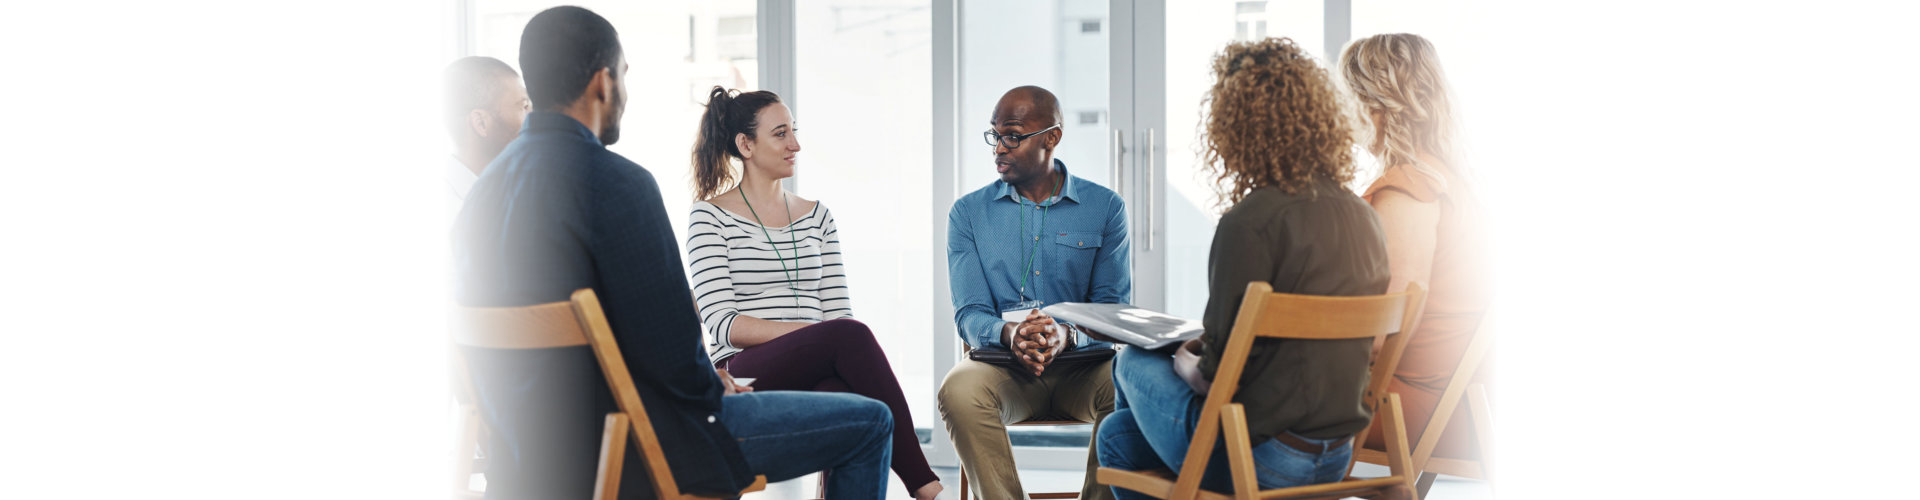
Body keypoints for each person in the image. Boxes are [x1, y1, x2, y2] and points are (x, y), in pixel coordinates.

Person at [454, 7, 891, 499]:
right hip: (642, 442)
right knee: (871, 421)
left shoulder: (481, 195)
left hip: (527, 459)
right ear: (603, 82)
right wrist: (714, 381)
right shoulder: (617, 184)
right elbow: (673, 351)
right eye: (623, 76)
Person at [1095, 37, 1390, 499]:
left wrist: (1182, 356)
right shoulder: (1365, 217)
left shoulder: (1249, 223)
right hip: (1334, 457)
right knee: (1116, 437)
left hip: (1262, 460)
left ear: (1236, 128)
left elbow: (1215, 375)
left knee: (1131, 360)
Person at [685, 86, 945, 500]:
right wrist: (811, 334)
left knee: (849, 399)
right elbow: (723, 324)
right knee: (850, 335)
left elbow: (837, 315)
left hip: (820, 359)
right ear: (745, 145)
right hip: (744, 371)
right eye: (781, 134)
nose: (796, 145)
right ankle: (926, 486)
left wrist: (820, 338)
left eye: (795, 131)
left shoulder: (818, 217)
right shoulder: (709, 217)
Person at [940, 85, 1129, 500]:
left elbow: (1112, 311)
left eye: (1012, 135)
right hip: (1003, 370)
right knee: (958, 391)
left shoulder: (1105, 207)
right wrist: (1012, 335)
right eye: (995, 135)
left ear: (1051, 137)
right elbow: (969, 312)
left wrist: (1065, 335)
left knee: (1132, 385)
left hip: (1083, 368)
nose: (999, 149)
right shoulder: (968, 213)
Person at [1340, 33, 1491, 461]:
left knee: (1244, 409)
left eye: (1347, 97)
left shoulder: (1408, 192)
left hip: (1409, 409)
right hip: (1460, 402)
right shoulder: (1455, 183)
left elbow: (1383, 334)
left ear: (1376, 105)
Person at [442, 55, 529, 211]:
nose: (532, 117)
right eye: (523, 106)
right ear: (481, 123)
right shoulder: (449, 212)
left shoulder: (511, 191)